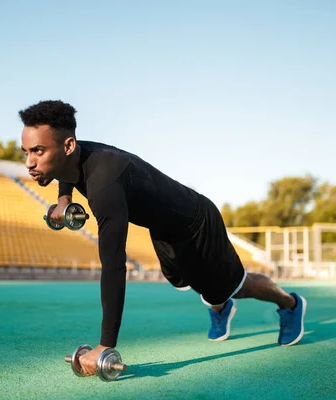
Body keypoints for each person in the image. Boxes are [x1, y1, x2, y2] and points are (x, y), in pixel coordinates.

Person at [19, 100, 307, 376]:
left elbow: (114, 266)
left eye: (38, 151)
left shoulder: (105, 184)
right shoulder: (73, 157)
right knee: (187, 281)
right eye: (26, 152)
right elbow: (65, 172)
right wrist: (64, 197)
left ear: (68, 145)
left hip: (197, 223)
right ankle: (219, 302)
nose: (29, 162)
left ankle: (290, 304)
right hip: (164, 229)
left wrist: (106, 345)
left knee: (233, 286)